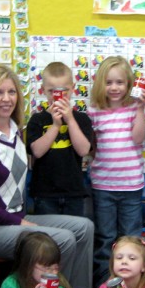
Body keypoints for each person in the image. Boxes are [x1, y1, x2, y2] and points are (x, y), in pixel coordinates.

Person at [0, 64, 94, 288]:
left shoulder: (14, 131)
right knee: (62, 239)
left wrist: (20, 220)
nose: (7, 99)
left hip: (15, 220)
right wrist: (20, 223)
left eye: (11, 92)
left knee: (84, 228)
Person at [87, 56, 145, 288]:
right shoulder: (94, 111)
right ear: (100, 83)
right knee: (105, 239)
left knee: (131, 239)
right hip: (103, 186)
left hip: (131, 186)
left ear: (129, 84)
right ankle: (106, 287)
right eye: (109, 82)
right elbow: (90, 147)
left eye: (120, 82)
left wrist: (141, 109)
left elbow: (138, 138)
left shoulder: (135, 107)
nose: (114, 88)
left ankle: (134, 286)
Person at [27, 61, 94, 217]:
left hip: (74, 192)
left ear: (73, 88)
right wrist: (55, 125)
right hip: (44, 193)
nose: (58, 96)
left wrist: (69, 120)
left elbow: (83, 149)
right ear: (43, 90)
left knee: (74, 235)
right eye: (52, 91)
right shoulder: (37, 119)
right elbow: (37, 152)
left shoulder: (82, 119)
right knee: (46, 238)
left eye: (63, 91)